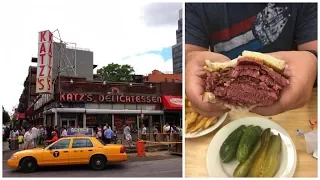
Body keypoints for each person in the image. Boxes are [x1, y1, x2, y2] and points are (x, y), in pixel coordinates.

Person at [185, 3, 317, 117]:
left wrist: (313, 61)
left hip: (291, 111)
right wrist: (189, 61)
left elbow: (314, 49)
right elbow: (187, 54)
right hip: (225, 116)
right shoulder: (195, 5)